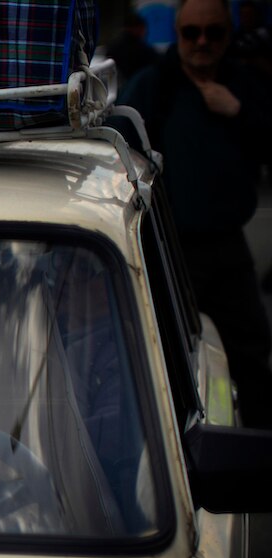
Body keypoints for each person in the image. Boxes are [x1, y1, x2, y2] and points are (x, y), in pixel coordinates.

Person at [119, 0, 272, 428]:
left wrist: (238, 112)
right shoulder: (155, 85)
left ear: (229, 33)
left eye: (213, 33)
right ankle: (177, 452)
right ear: (179, 34)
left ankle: (257, 458)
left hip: (228, 245)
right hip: (172, 248)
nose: (202, 42)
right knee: (164, 355)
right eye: (191, 33)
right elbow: (118, 150)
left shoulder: (244, 83)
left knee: (251, 351)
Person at [106, 10, 160, 88]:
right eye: (144, 29)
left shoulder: (112, 46)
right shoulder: (142, 49)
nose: (145, 32)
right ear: (138, 28)